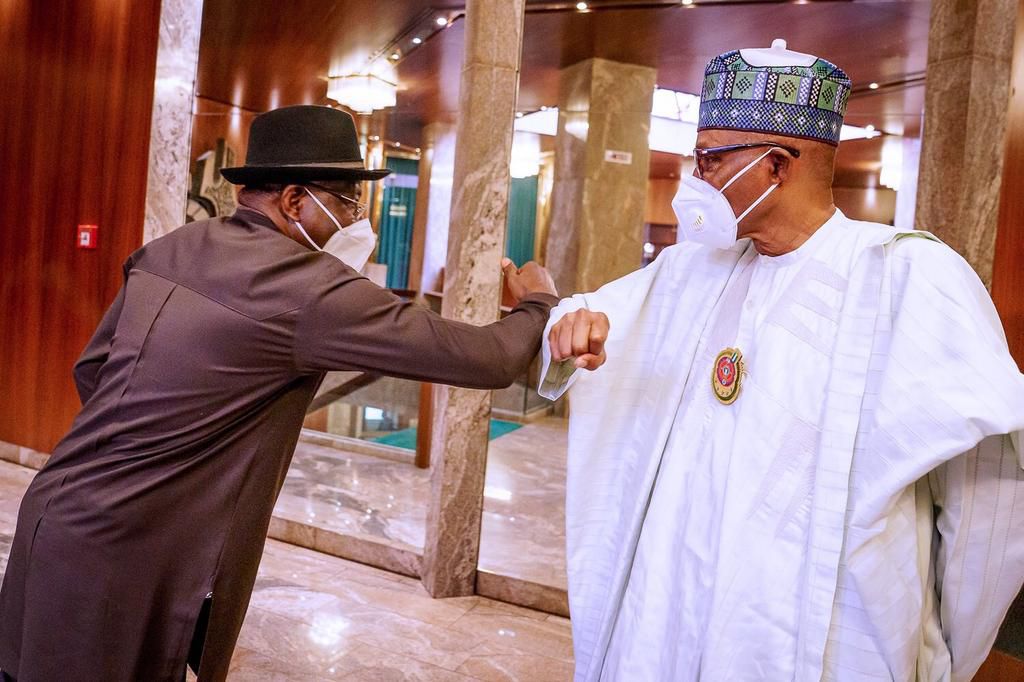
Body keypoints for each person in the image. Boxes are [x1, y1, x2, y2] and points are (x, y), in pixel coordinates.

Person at [0, 105, 558, 682]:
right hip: (130, 553)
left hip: (52, 510)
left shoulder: (171, 247)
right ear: (295, 200)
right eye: (347, 204)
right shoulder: (312, 288)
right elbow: (488, 357)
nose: (354, 221)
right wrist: (539, 303)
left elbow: (93, 369)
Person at [540, 40, 1024, 681]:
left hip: (830, 631)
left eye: (711, 159)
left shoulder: (906, 276)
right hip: (672, 611)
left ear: (775, 165)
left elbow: (990, 488)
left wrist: (945, 646)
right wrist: (569, 325)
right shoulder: (690, 270)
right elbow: (586, 315)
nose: (697, 178)